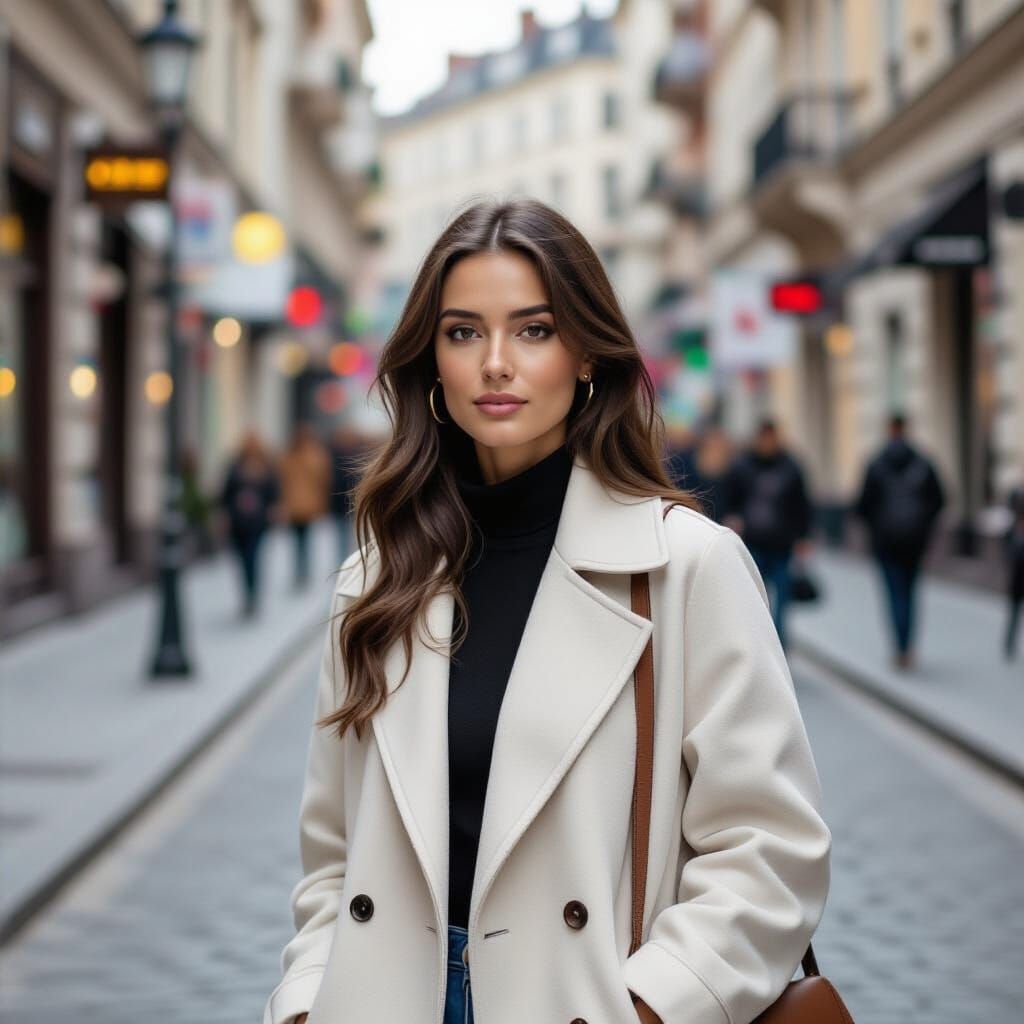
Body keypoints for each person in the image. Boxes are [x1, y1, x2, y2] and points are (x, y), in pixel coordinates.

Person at [266, 198, 831, 1024]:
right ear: (433, 363)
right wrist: (305, 1004)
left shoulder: (684, 567)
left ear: (587, 355)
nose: (496, 363)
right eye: (464, 332)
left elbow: (770, 850)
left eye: (533, 330)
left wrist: (648, 1007)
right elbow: (332, 858)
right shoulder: (375, 580)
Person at [854, 414, 946, 671]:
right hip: (915, 541)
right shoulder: (923, 463)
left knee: (893, 593)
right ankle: (908, 647)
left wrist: (876, 527)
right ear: (906, 430)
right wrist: (924, 527)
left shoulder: (876, 463)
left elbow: (862, 506)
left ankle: (899, 648)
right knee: (910, 592)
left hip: (885, 542)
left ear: (889, 430)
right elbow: (939, 500)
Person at [722, 418, 815, 652]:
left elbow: (802, 504)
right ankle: (759, 645)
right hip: (751, 544)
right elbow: (729, 500)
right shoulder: (742, 466)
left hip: (782, 544)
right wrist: (732, 520)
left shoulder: (791, 467)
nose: (767, 443)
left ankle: (779, 647)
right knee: (755, 598)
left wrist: (804, 537)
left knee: (783, 597)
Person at [219, 431, 281, 618]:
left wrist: (275, 510)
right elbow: (225, 493)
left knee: (253, 558)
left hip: (257, 524)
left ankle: (253, 596)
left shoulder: (266, 466)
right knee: (242, 561)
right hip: (238, 523)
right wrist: (224, 515)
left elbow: (273, 492)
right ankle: (247, 594)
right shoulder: (235, 467)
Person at [278, 423, 331, 590]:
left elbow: (322, 480)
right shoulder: (310, 455)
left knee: (302, 540)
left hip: (303, 506)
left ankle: (302, 572)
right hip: (299, 506)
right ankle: (302, 571)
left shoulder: (298, 456)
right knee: (300, 541)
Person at [326, 424, 366, 566]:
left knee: (348, 532)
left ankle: (348, 558)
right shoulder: (333, 455)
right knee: (340, 532)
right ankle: (343, 559)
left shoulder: (356, 454)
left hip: (351, 499)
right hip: (337, 500)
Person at [1003, 478, 1024, 660]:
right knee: (1015, 608)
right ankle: (1009, 643)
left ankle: (1009, 643)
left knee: (1015, 608)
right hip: (1018, 569)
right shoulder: (1016, 493)